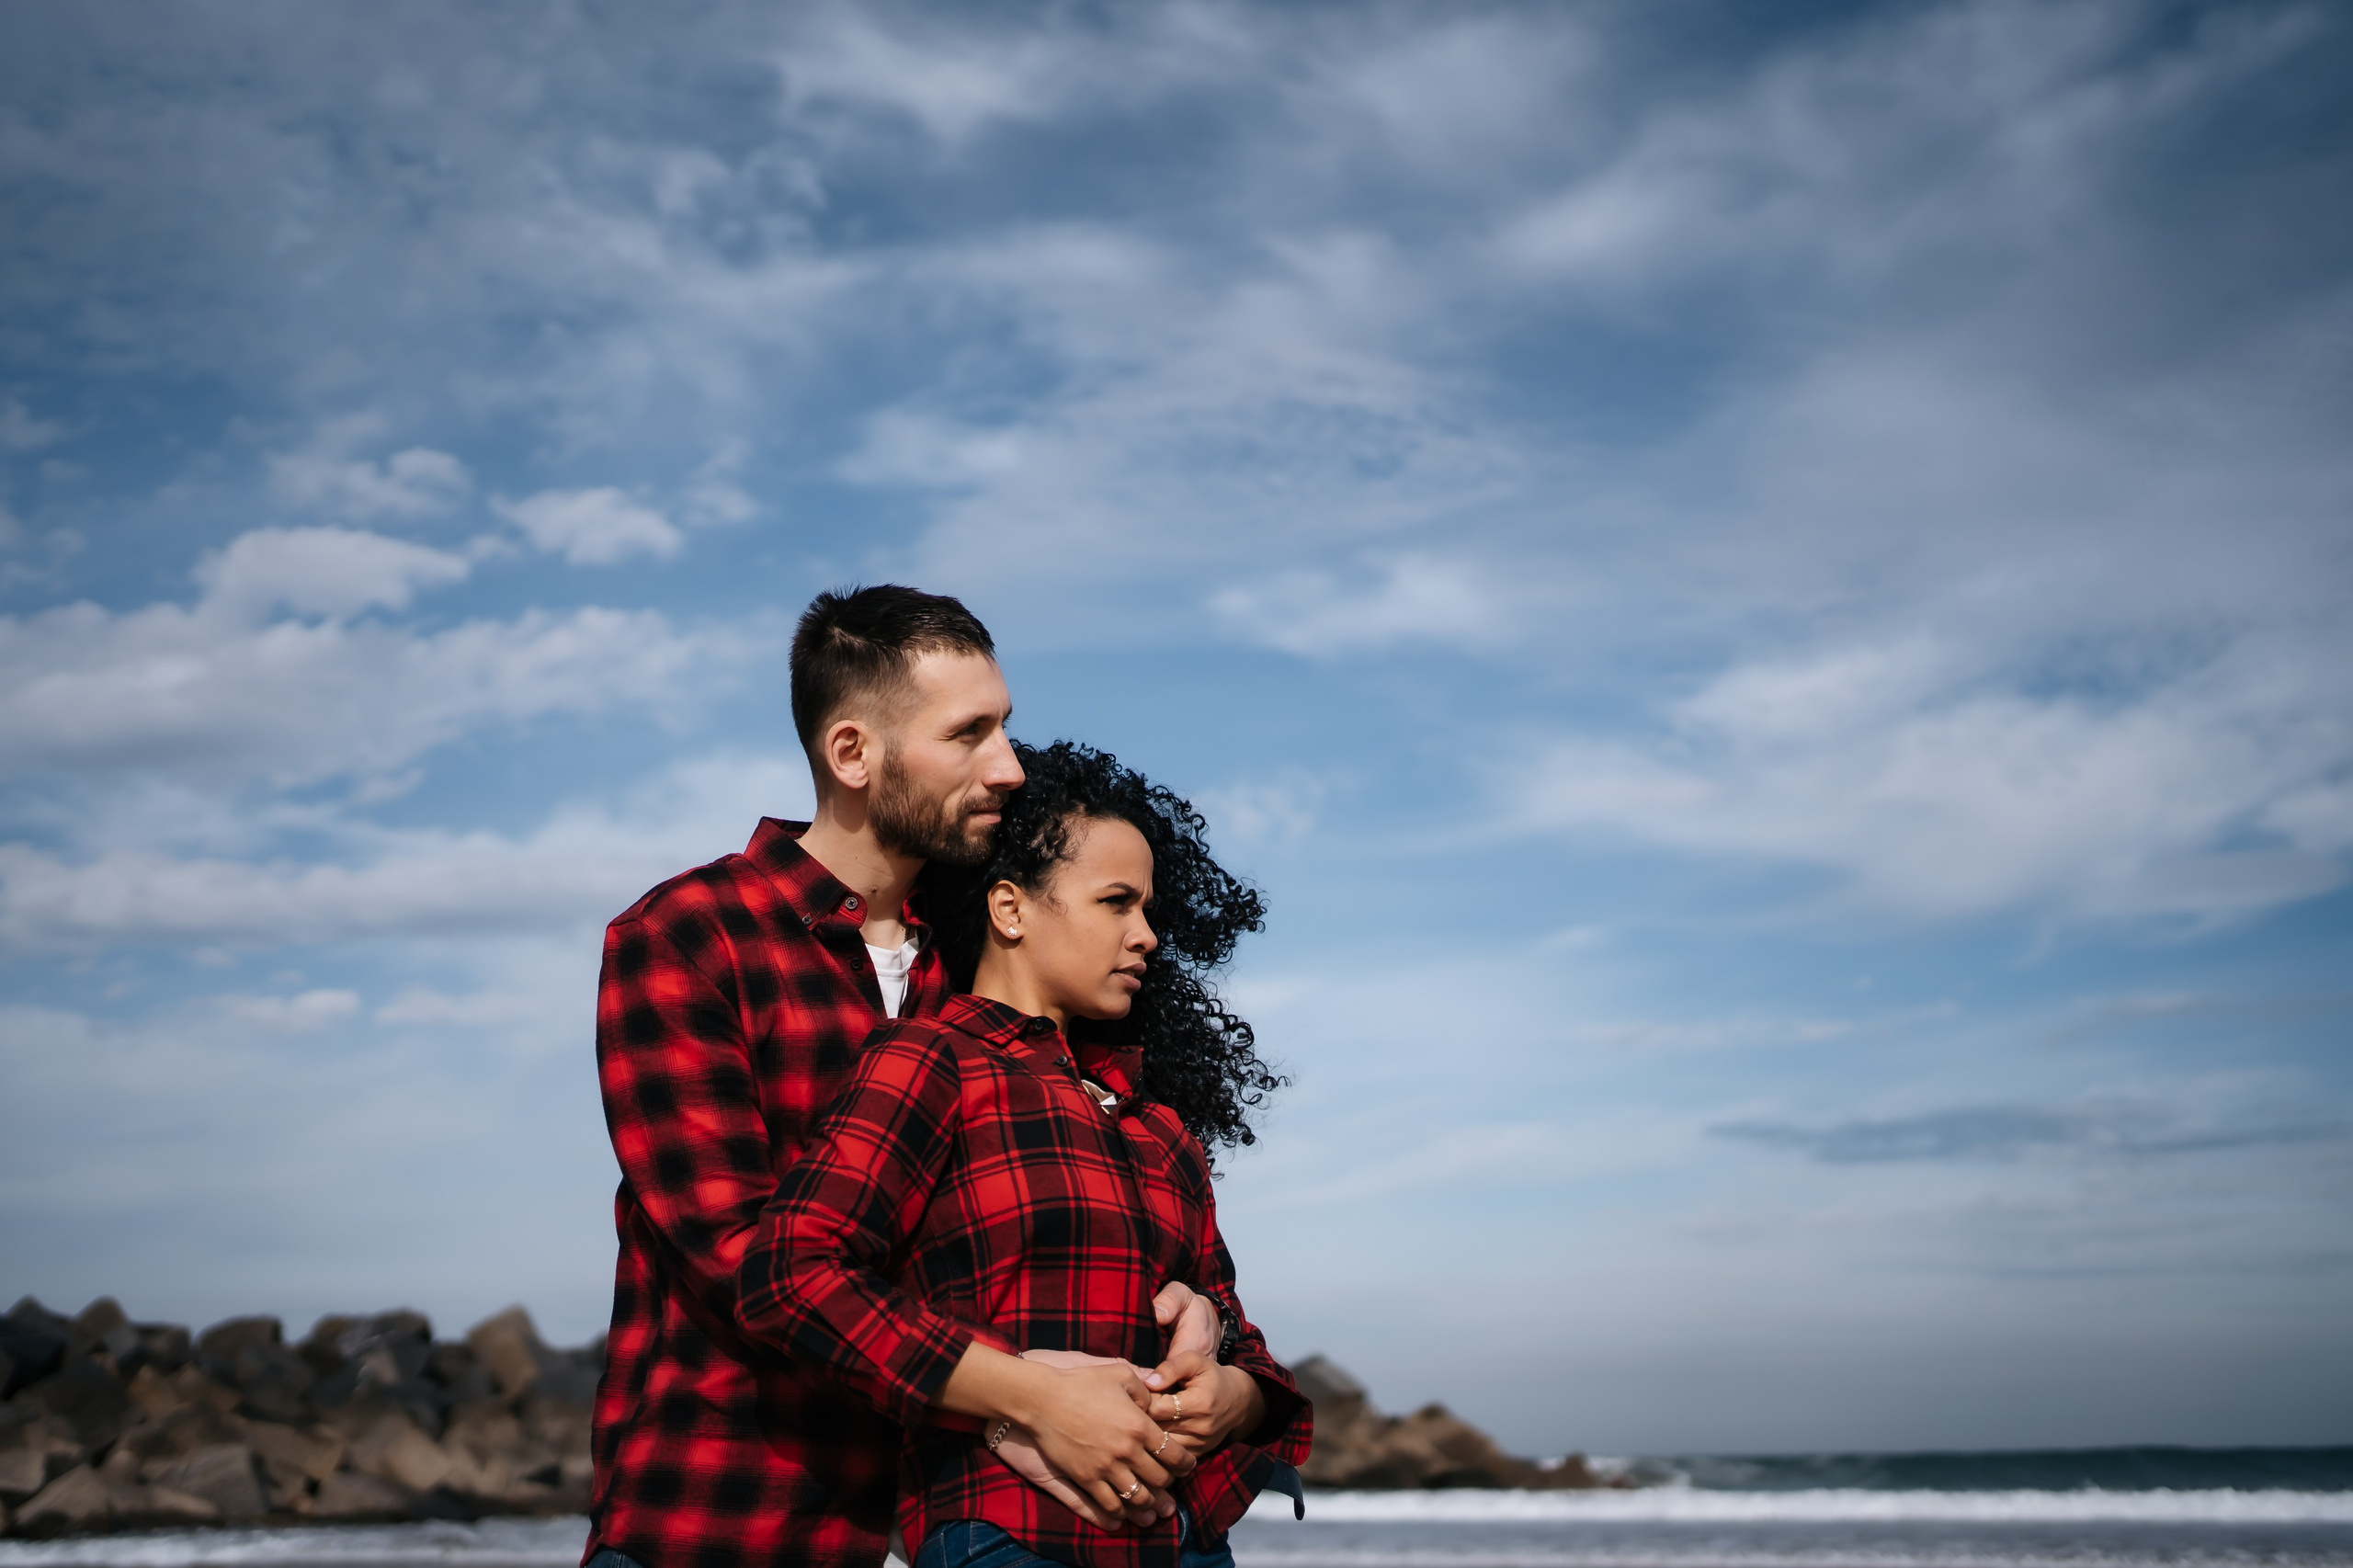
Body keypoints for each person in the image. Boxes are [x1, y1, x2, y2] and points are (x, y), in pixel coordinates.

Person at [586, 589, 1222, 1568]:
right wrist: (1024, 1396)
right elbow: (750, 1263)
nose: (1008, 765)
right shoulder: (687, 937)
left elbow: (1078, 1203)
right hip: (729, 1515)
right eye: (968, 733)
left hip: (966, 1521)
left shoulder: (980, 964)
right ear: (852, 755)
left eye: (1005, 725)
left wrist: (1196, 1310)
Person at [736, 741, 1312, 1568]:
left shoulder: (1158, 1127)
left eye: (1148, 910)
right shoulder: (932, 1064)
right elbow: (791, 1274)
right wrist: (1016, 1397)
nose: (1146, 936)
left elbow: (1237, 1334)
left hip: (1187, 1543)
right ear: (1010, 910)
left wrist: (1236, 1395)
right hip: (1010, 1536)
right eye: (1116, 902)